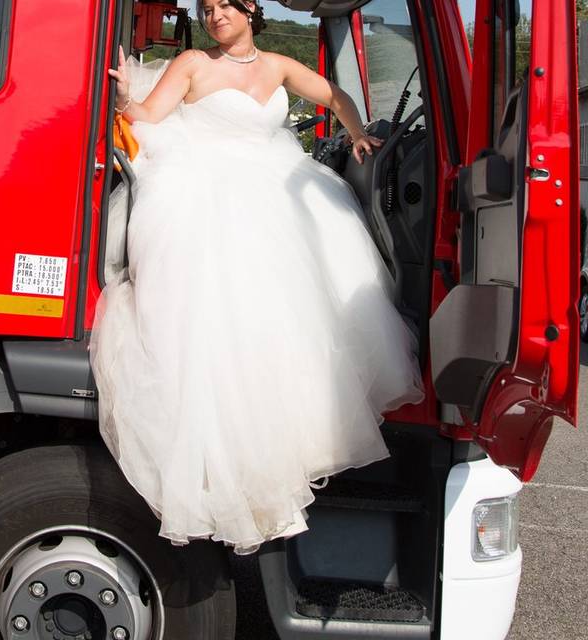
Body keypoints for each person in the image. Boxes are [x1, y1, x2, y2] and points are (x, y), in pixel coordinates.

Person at [89, 0, 425, 555]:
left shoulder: (278, 66)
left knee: (299, 317)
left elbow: (334, 95)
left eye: (225, 5)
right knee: (228, 320)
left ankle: (291, 444)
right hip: (210, 191)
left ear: (250, 9)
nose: (215, 14)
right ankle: (231, 465)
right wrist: (126, 97)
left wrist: (358, 134)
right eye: (207, 8)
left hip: (278, 184)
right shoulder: (194, 62)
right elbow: (147, 115)